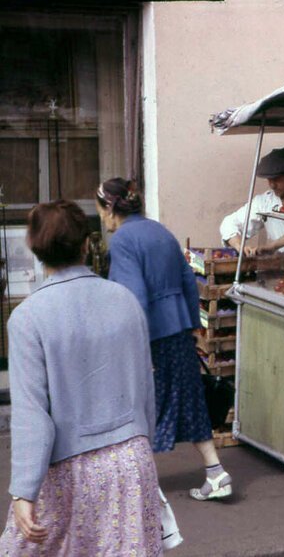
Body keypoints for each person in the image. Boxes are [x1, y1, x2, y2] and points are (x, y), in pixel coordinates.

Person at [0, 200, 161, 554]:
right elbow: (145, 387)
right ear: (87, 244)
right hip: (132, 458)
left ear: (35, 248)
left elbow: (32, 415)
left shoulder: (28, 318)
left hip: (71, 468)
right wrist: (142, 443)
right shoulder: (125, 300)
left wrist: (23, 490)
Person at [97, 177, 233, 502]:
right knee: (189, 400)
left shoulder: (123, 241)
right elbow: (189, 280)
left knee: (139, 406)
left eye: (100, 208)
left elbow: (134, 298)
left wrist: (130, 346)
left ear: (111, 208)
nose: (100, 216)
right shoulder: (160, 231)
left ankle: (133, 485)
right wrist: (195, 328)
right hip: (179, 330)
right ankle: (215, 471)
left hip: (151, 336)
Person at [219, 146, 284, 258]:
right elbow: (230, 223)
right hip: (279, 269)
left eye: (277, 179)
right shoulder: (264, 201)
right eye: (269, 180)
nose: (272, 185)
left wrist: (273, 246)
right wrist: (239, 246)